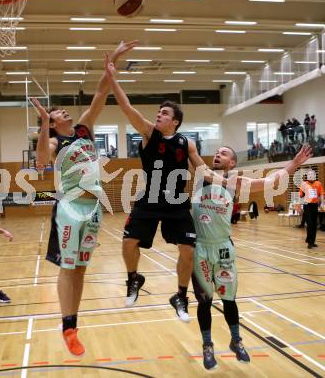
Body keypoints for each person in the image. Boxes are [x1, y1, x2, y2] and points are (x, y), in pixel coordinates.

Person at [35, 40, 137, 357]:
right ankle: (67, 326)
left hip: (93, 207)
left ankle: (72, 327)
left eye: (63, 110)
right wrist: (42, 125)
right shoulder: (53, 142)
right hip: (68, 207)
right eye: (57, 113)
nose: (64, 111)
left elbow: (100, 93)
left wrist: (114, 63)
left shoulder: (83, 129)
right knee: (68, 267)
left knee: (80, 268)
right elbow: (40, 162)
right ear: (53, 123)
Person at [105, 54, 223, 323]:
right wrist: (112, 76)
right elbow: (126, 107)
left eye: (165, 113)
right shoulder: (150, 133)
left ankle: (180, 295)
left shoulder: (187, 144)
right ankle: (134, 279)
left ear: (176, 121)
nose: (159, 114)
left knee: (188, 250)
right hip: (149, 199)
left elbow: (202, 170)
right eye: (159, 112)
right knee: (128, 242)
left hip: (177, 203)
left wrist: (227, 182)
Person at [191, 144, 311, 370]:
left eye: (224, 153)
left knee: (229, 300)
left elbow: (270, 182)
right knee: (204, 302)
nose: (218, 154)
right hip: (201, 249)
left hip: (224, 248)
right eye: (216, 152)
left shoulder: (238, 183)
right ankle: (208, 345)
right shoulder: (202, 173)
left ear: (233, 163)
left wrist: (294, 163)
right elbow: (191, 153)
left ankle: (236, 340)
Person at [300, 170, 324, 248]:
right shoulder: (304, 184)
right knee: (309, 224)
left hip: (315, 206)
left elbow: (321, 194)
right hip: (307, 206)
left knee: (314, 225)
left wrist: (322, 203)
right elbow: (301, 196)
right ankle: (309, 243)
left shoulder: (318, 184)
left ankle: (312, 241)